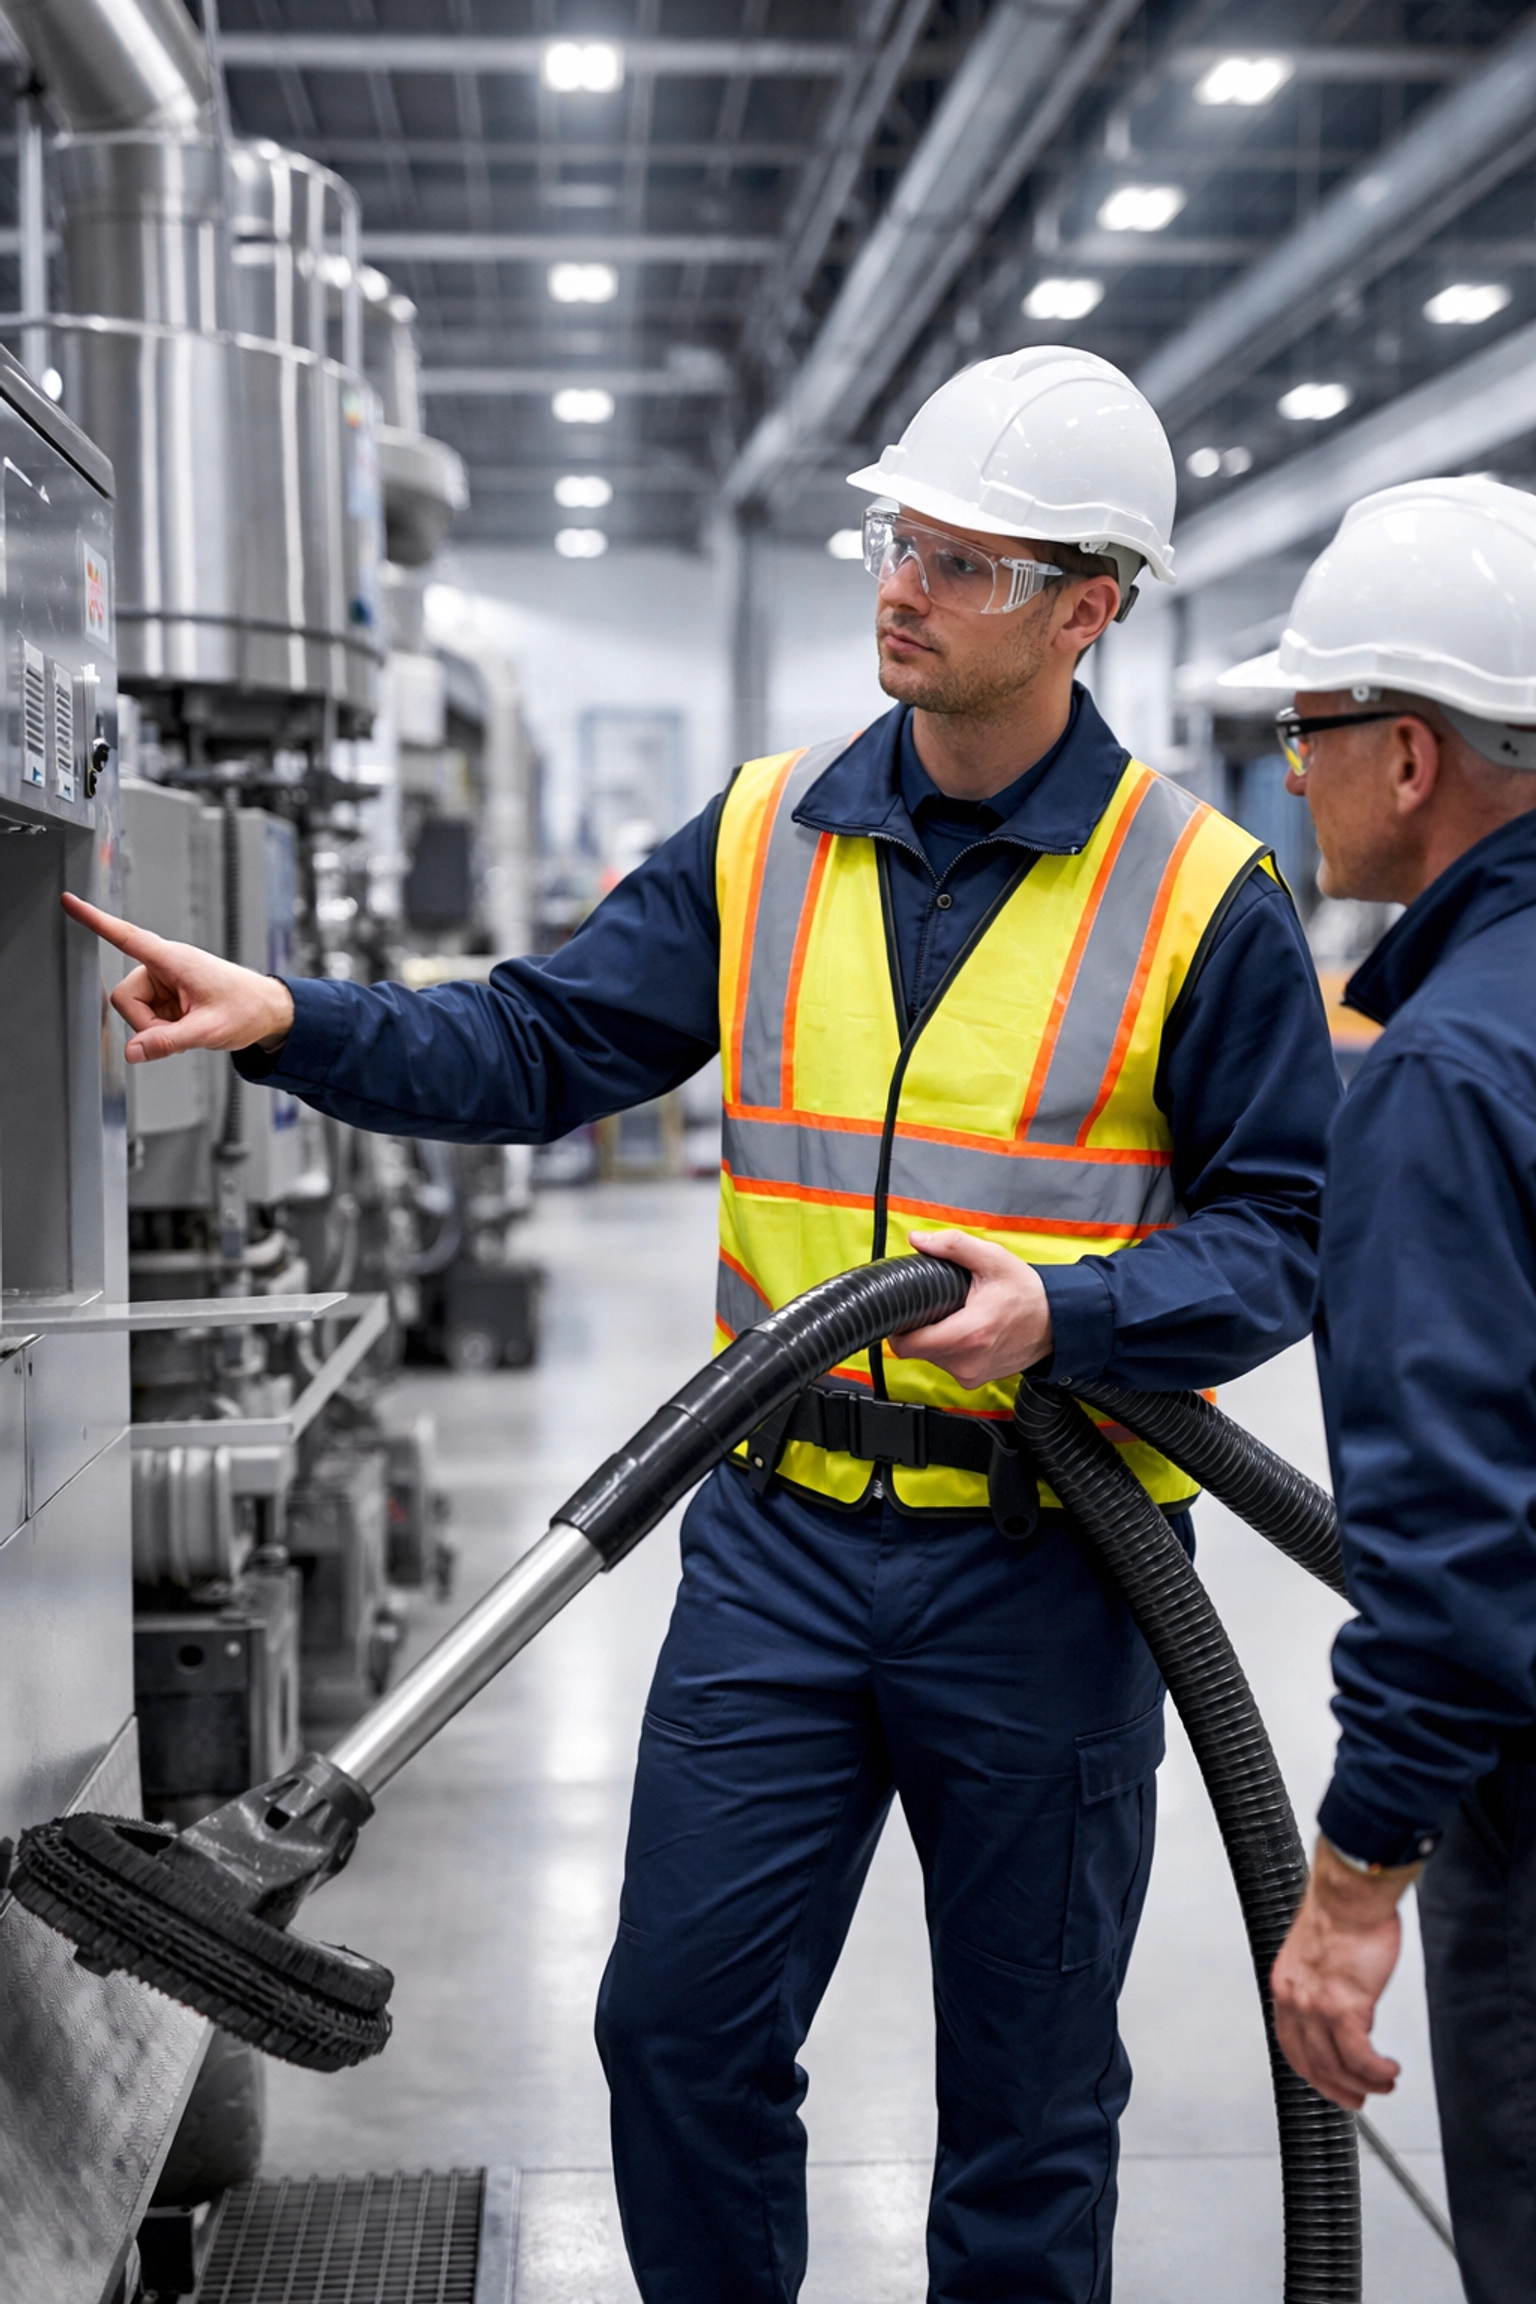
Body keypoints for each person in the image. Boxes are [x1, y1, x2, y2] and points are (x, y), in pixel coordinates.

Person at [67, 347, 1339, 2304]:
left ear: (1089, 607)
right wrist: (293, 1021)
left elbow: (1280, 1241)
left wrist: (1079, 1315)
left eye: (965, 561)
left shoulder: (1199, 895)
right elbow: (540, 1041)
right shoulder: (767, 837)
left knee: (1030, 2103)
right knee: (674, 2035)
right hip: (778, 1555)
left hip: (1053, 1573)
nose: (902, 585)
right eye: (897, 539)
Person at [1230, 476, 1536, 2304]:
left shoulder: (1444, 1075)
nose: (1291, 771)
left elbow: (1456, 1540)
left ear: (1408, 755)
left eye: (1307, 728)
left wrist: (1352, 1890)